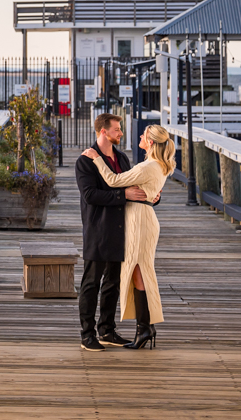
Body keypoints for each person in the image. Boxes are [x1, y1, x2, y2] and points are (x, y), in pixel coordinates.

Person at [82, 124, 175, 350]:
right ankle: (144, 328)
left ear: (151, 142)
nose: (139, 136)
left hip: (141, 222)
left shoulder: (148, 166)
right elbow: (147, 191)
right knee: (138, 272)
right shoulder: (156, 166)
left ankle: (145, 327)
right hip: (142, 219)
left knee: (140, 272)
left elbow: (114, 181)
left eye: (143, 135)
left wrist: (96, 158)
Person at [75, 113, 153, 351]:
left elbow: (134, 188)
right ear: (103, 132)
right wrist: (123, 195)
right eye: (117, 129)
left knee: (112, 283)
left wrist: (153, 198)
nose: (121, 133)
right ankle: (87, 335)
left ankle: (106, 330)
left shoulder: (121, 157)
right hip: (98, 229)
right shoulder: (86, 160)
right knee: (91, 283)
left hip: (122, 229)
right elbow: (90, 195)